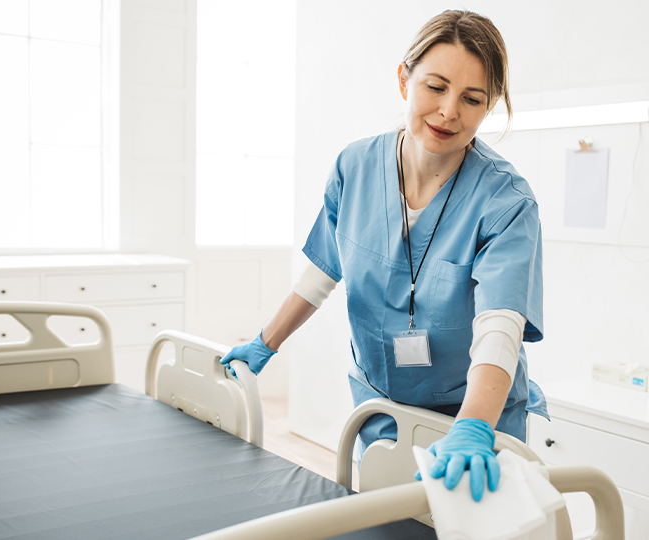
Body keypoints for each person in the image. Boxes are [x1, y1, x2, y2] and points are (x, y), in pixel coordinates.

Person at [220, 9, 547, 502]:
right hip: (383, 409)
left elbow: (500, 326)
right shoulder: (355, 166)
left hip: (475, 420)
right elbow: (326, 267)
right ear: (404, 79)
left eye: (472, 99)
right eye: (435, 87)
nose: (448, 111)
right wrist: (265, 342)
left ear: (490, 106)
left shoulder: (506, 201)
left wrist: (474, 427)